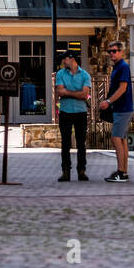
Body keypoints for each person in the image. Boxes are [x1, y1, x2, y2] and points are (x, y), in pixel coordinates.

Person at [54, 51, 92, 182]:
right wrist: (77, 93)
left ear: (72, 59)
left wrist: (68, 92)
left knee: (81, 143)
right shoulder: (60, 74)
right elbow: (60, 92)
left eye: (64, 59)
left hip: (80, 112)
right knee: (65, 143)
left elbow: (85, 95)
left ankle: (81, 171)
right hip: (65, 112)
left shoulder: (85, 75)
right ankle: (66, 172)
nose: (63, 62)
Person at [99, 42, 133, 182]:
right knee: (122, 139)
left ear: (121, 52)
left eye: (114, 51)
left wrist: (109, 101)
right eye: (110, 51)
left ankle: (121, 172)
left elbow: (123, 88)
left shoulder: (123, 67)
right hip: (122, 108)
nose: (111, 54)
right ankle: (123, 171)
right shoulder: (118, 67)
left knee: (116, 138)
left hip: (122, 108)